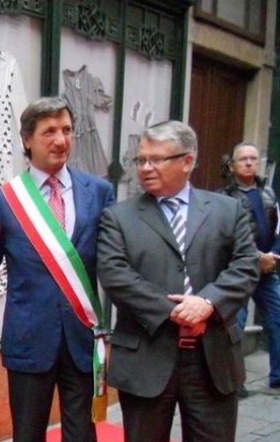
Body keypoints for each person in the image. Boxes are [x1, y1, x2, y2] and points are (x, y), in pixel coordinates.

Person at [97, 121, 259, 441]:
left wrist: (208, 303)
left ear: (187, 161)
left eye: (156, 159)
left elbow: (246, 265)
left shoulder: (228, 210)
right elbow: (115, 274)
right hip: (146, 357)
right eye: (141, 159)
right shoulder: (119, 217)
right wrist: (174, 311)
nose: (145, 168)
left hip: (212, 359)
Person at [0, 96, 115, 442]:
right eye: (49, 132)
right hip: (29, 340)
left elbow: (112, 261)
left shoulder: (98, 192)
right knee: (28, 434)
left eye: (67, 130)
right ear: (27, 140)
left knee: (82, 435)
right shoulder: (3, 199)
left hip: (81, 337)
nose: (61, 140)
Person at [218, 142, 280, 392]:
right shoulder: (224, 198)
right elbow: (226, 237)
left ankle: (278, 377)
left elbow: (278, 227)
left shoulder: (268, 193)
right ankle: (234, 383)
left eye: (253, 158)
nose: (249, 163)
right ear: (232, 165)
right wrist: (257, 258)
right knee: (235, 326)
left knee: (277, 318)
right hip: (238, 270)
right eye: (243, 159)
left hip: (267, 270)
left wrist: (273, 256)